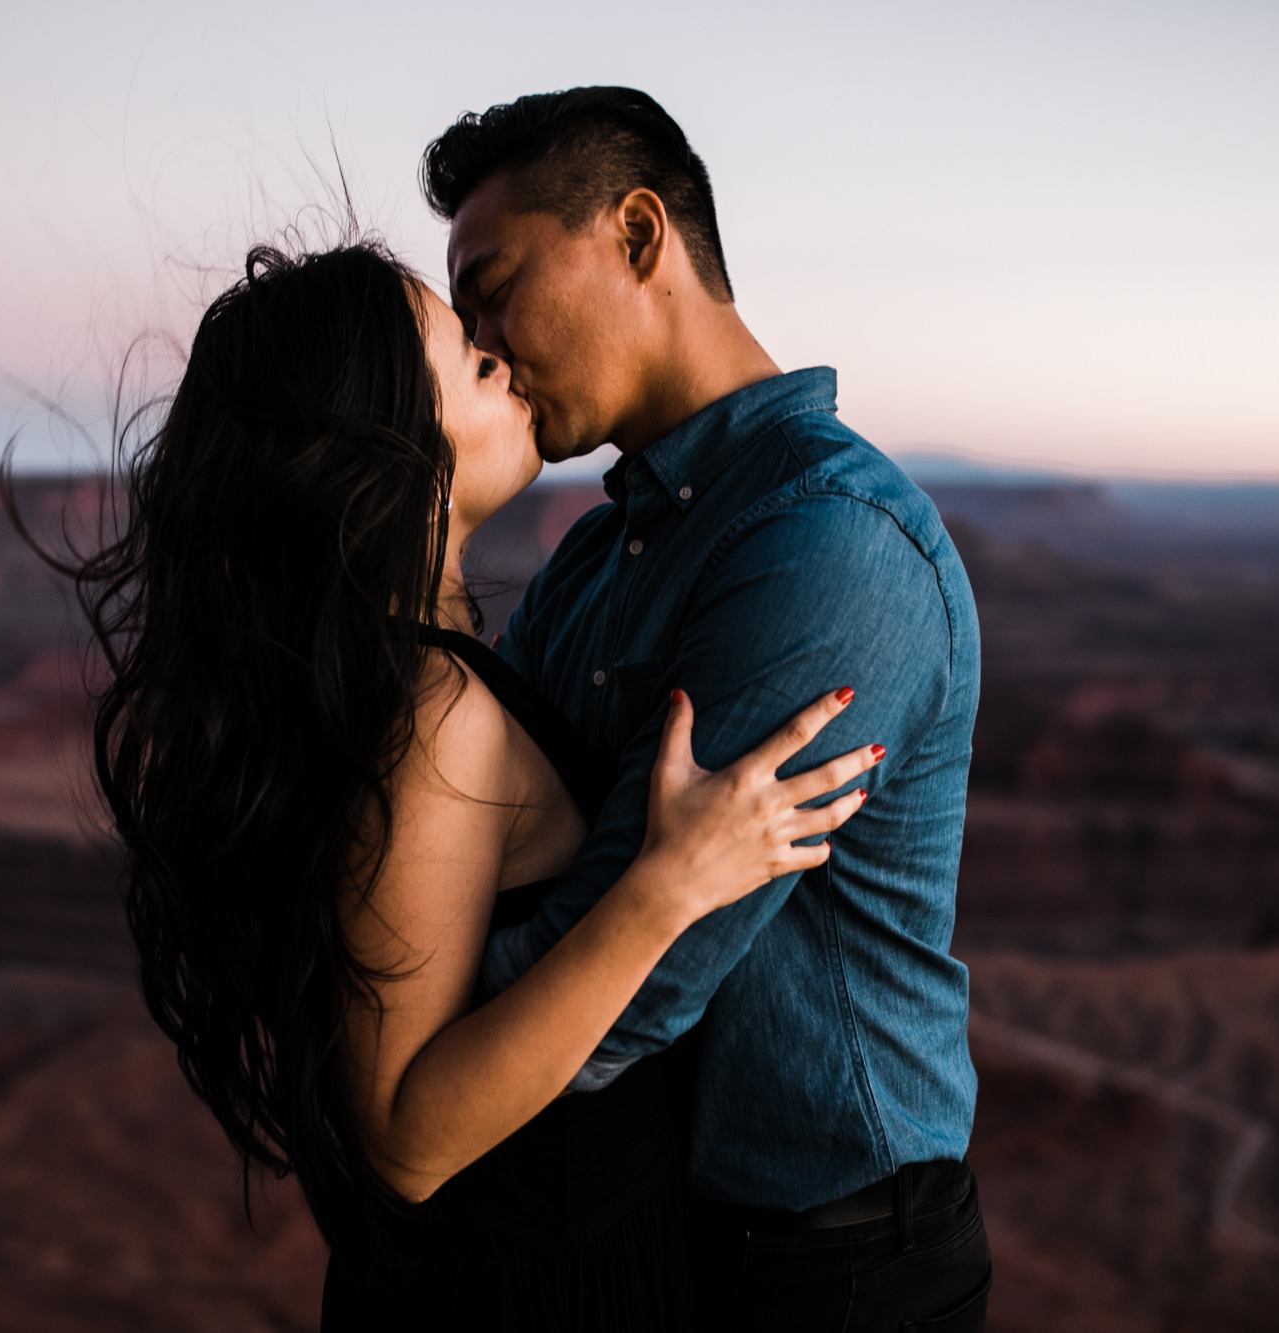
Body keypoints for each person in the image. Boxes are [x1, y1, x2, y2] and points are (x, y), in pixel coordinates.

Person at [38, 240, 884, 1329]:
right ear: (380, 438)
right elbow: (405, 1136)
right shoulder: (425, 713)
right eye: (463, 357)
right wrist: (670, 885)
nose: (503, 359)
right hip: (528, 1284)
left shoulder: (382, 681)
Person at [423, 87, 992, 1331]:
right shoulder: (599, 552)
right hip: (646, 1240)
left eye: (496, 286)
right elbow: (475, 844)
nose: (484, 341)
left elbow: (632, 1000)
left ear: (636, 236)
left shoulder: (827, 544)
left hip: (825, 1270)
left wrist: (404, 1011)